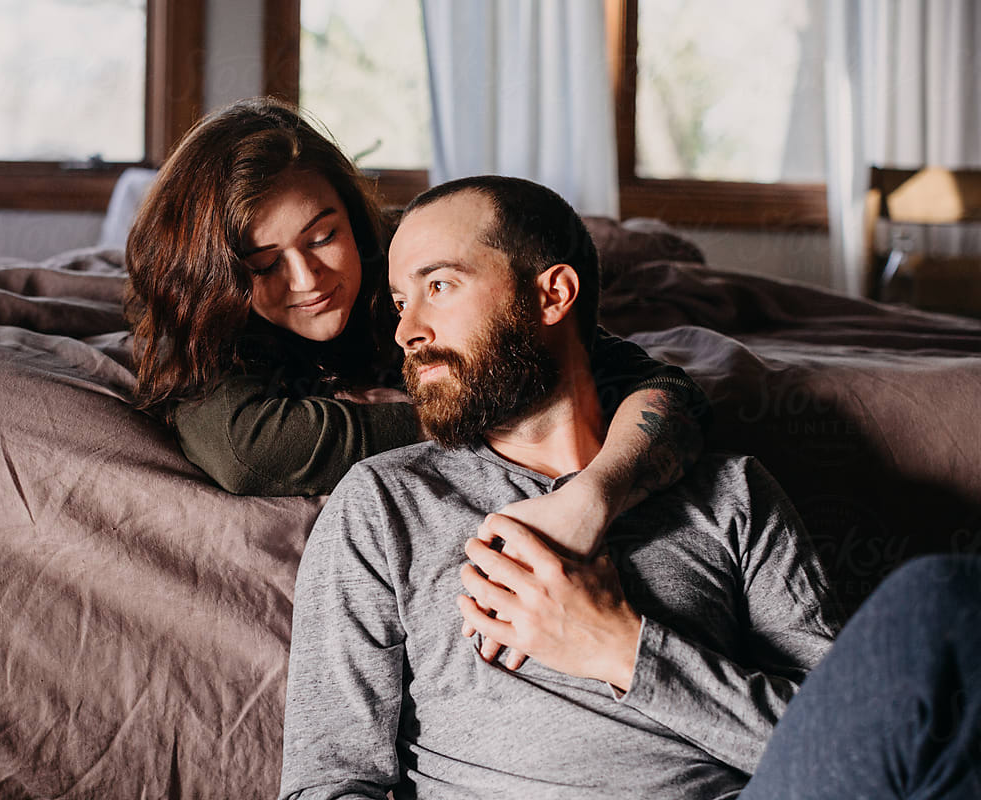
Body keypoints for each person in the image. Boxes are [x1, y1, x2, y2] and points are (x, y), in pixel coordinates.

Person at [279, 176, 845, 798]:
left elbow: (850, 752)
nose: (406, 331)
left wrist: (621, 648)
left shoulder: (730, 493)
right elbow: (328, 784)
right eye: (399, 301)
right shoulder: (387, 505)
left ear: (553, 295)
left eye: (439, 286)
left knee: (935, 604)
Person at [123, 98, 708, 563]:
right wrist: (479, 408)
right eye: (264, 264)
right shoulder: (202, 320)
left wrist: (594, 494)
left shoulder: (409, 262)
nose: (308, 280)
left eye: (324, 236)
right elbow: (248, 450)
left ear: (353, 216)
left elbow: (653, 383)